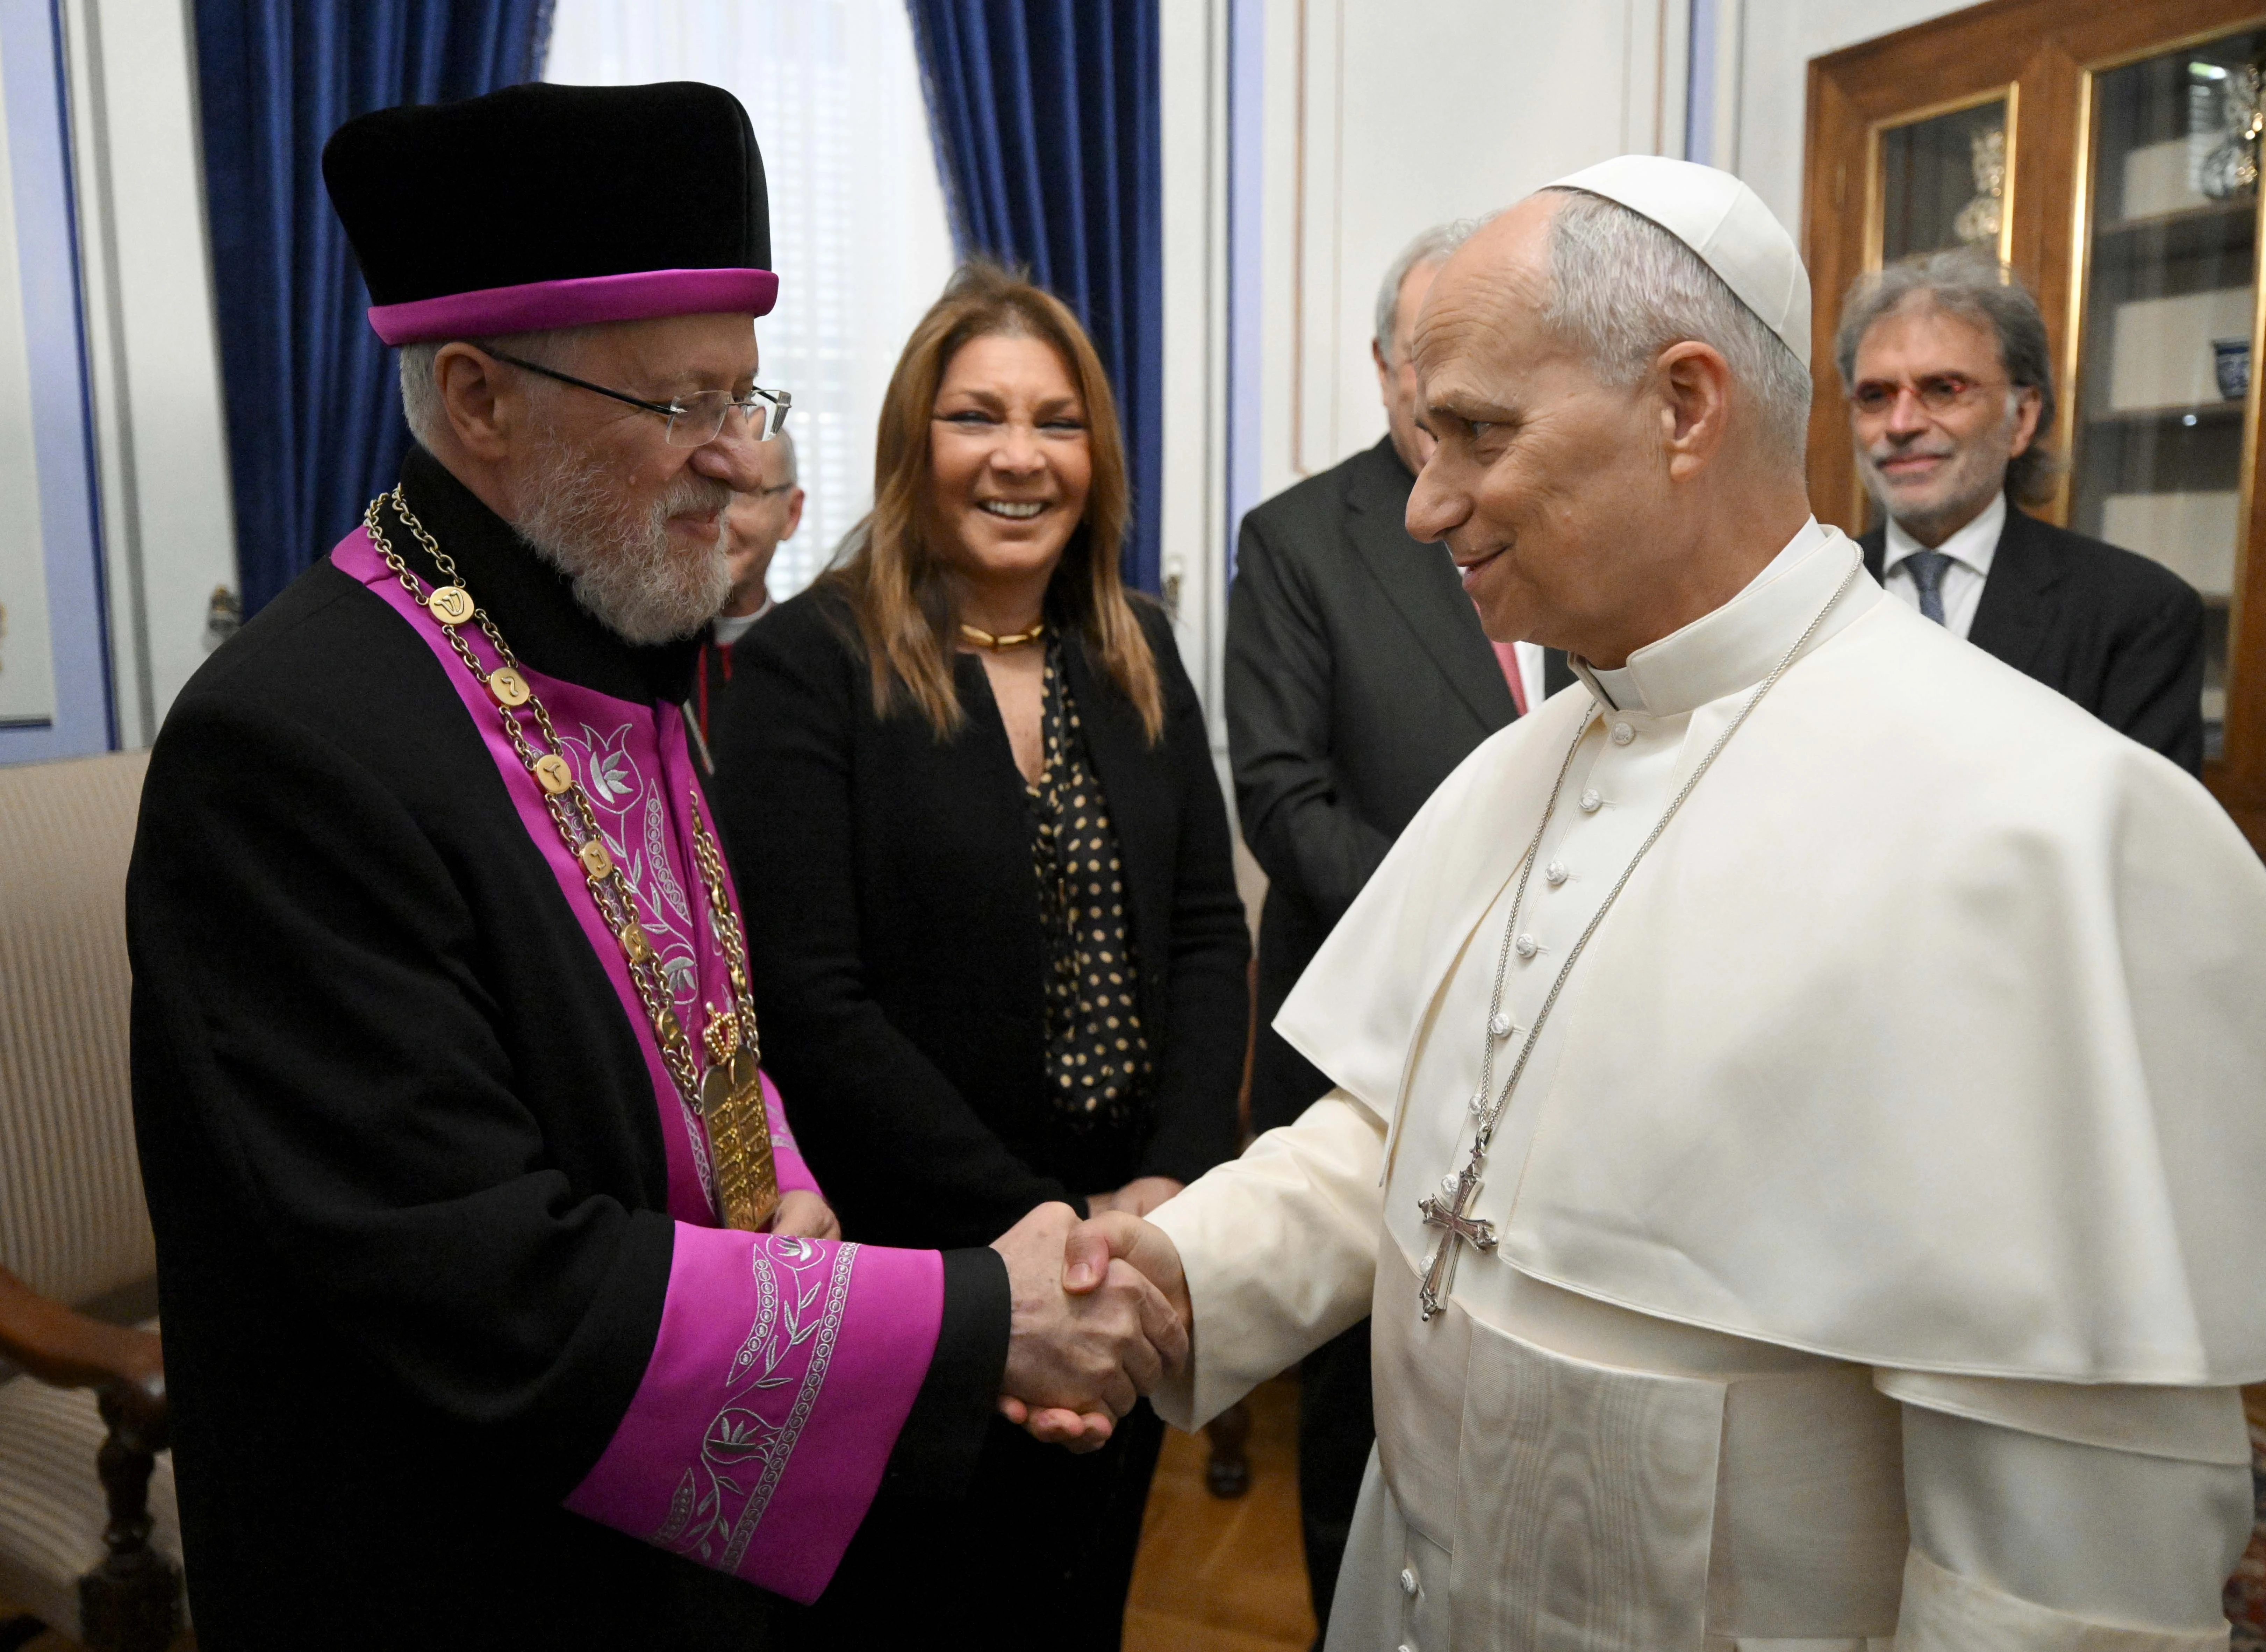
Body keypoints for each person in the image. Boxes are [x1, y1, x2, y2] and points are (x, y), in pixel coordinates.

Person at [1031, 157, 2266, 1646]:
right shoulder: (1525, 764)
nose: (1426, 503)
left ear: (1683, 404)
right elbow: (1410, 1140)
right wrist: (1175, 1276)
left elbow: (2056, 1579)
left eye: (1476, 435)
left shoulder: (2033, 828)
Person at [125, 83, 1181, 1650]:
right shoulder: (289, 745)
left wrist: (797, 1203)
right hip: (450, 1564)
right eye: (684, 406)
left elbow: (710, 1020)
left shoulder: (620, 643)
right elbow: (484, 1279)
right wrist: (969, 1317)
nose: (737, 463)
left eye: (748, 401)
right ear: (478, 397)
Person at [709, 263, 1249, 1649]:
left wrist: (1159, 1200)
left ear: (1096, 453)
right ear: (914, 446)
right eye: (976, 416)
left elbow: (1200, 937)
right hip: (924, 1277)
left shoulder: (1140, 652)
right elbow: (810, 1007)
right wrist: (1038, 1236)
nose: (1019, 456)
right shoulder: (806, 664)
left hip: (1126, 1247)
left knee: (1080, 1609)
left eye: (1056, 421)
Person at [1222, 221, 1570, 1639]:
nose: (1453, 389)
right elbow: (1284, 801)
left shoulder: (1561, 514)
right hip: (1376, 1036)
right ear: (1382, 367)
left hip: (1568, 1048)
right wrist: (1489, 938)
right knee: (1358, 1388)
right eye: (1430, 358)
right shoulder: (1302, 536)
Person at [1841, 248, 2207, 771]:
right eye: (1874, 395)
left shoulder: (2137, 614)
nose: (1900, 424)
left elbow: (2143, 842)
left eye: (1943, 389)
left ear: (2021, 419)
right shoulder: (1810, 598)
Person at [693, 428, 803, 743]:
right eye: (705, 490)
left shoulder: (816, 658)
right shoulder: (637, 656)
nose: (717, 518)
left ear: (792, 513)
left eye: (742, 494)